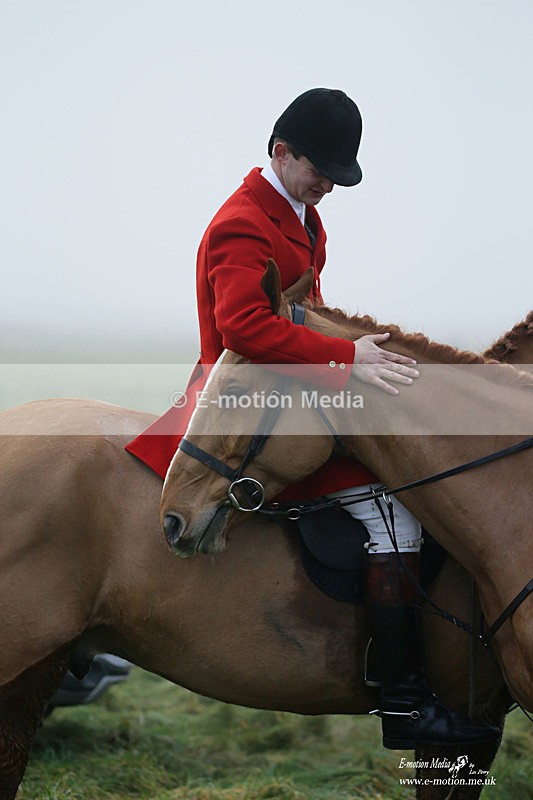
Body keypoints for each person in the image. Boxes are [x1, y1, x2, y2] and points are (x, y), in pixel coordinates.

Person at [126, 88, 500, 749]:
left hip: (292, 384)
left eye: (336, 175)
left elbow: (308, 313)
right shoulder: (243, 223)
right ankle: (402, 701)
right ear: (281, 153)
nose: (328, 184)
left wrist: (355, 355)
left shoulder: (306, 219)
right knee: (391, 515)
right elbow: (244, 328)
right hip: (245, 398)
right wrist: (344, 358)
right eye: (320, 170)